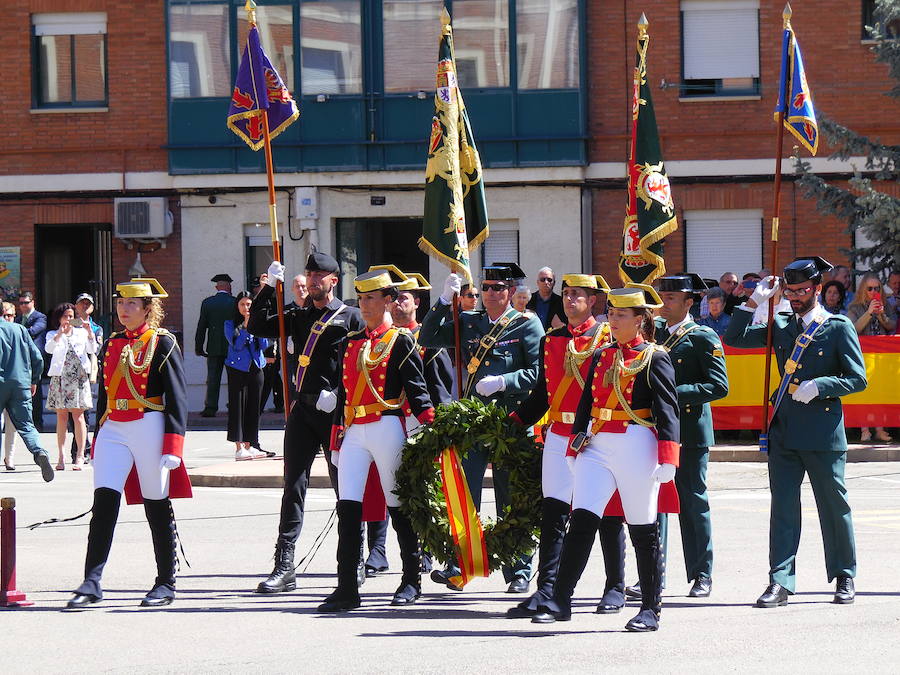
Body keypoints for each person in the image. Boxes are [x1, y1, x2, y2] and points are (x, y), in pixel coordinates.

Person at [531, 284, 679, 632]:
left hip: (635, 442)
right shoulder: (602, 355)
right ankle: (560, 598)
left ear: (640, 320)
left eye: (621, 315)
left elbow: (668, 410)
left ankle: (650, 608)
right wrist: (573, 448)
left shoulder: (655, 357)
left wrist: (668, 457)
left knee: (643, 527)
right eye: (611, 314)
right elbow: (585, 405)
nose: (613, 321)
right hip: (596, 445)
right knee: (582, 520)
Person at [724, 256, 866, 608]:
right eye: (791, 291)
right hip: (785, 429)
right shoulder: (782, 324)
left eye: (803, 290)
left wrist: (822, 385)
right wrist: (755, 299)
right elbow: (734, 337)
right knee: (783, 508)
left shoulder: (836, 326)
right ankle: (780, 581)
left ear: (818, 289)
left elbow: (857, 378)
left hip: (821, 431)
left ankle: (844, 574)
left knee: (834, 507)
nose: (797, 296)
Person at [506, 273, 629, 619]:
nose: (569, 300)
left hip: (596, 433)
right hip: (560, 434)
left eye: (578, 295)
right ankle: (546, 590)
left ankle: (615, 586)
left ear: (593, 300)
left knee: (606, 513)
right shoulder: (553, 339)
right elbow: (544, 396)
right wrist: (512, 423)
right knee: (554, 514)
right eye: (566, 294)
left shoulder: (608, 338)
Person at [66, 277, 190, 609]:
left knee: (156, 504)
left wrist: (173, 446)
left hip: (149, 422)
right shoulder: (112, 342)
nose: (124, 309)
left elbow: (177, 396)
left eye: (132, 304)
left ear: (148, 309)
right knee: (103, 505)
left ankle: (166, 581)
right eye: (121, 303)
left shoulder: (162, 342)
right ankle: (91, 581)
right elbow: (106, 394)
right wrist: (95, 436)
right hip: (114, 427)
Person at [420, 263, 544, 594]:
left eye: (497, 288)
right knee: (465, 495)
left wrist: (505, 381)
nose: (490, 293)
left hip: (511, 421)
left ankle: (519, 568)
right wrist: (445, 301)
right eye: (485, 287)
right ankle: (462, 563)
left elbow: (538, 374)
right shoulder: (469, 321)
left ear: (511, 292)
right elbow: (428, 336)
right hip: (473, 422)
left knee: (512, 497)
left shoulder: (526, 326)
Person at [318, 269, 435, 612]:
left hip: (387, 425)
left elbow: (417, 390)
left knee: (398, 506)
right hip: (355, 429)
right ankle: (346, 587)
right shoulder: (352, 341)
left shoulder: (401, 340)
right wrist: (336, 433)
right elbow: (344, 394)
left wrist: (429, 427)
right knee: (348, 508)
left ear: (387, 300)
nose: (364, 305)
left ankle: (411, 578)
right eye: (361, 298)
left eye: (370, 298)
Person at [248, 252, 365, 595]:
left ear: (334, 280)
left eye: (320, 275)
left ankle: (353, 560)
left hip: (336, 415)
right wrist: (269, 288)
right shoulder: (297, 315)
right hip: (303, 411)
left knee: (346, 489)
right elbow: (256, 325)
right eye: (310, 274)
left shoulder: (351, 317)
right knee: (293, 487)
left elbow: (362, 367)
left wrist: (341, 397)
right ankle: (285, 566)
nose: (313, 280)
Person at [361, 266, 454, 577]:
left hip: (415, 423)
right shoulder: (376, 338)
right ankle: (377, 549)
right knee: (377, 485)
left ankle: (424, 549)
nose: (398, 303)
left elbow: (439, 387)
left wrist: (438, 425)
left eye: (405, 298)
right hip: (383, 420)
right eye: (395, 298)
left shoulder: (427, 341)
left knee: (418, 488)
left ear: (417, 303)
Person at [652, 274, 729, 598]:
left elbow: (719, 385)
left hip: (689, 431)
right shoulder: (651, 333)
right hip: (654, 432)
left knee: (692, 503)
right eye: (662, 296)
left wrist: (672, 393)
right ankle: (652, 574)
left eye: (672, 298)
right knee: (652, 506)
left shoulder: (702, 336)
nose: (665, 302)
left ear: (688, 302)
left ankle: (701, 574)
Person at [0, 303, 54, 480]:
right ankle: (40, 452)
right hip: (21, 383)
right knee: (26, 425)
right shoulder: (20, 330)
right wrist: (33, 380)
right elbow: (37, 357)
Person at [45, 302, 97, 470]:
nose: (68, 319)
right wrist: (60, 334)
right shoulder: (53, 333)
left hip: (78, 377)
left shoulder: (81, 333)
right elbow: (48, 349)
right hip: (60, 377)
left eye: (71, 316)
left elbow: (93, 349)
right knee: (61, 417)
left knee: (79, 416)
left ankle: (80, 456)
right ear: (59, 318)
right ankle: (61, 457)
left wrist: (89, 333)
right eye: (65, 316)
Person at [846, 272, 896, 443]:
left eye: (877, 288)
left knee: (880, 391)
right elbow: (852, 329)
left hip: (881, 356)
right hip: (862, 355)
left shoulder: (886, 305)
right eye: (870, 288)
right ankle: (865, 429)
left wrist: (881, 314)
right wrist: (869, 312)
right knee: (864, 392)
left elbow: (892, 325)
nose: (873, 291)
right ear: (863, 290)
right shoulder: (854, 307)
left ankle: (880, 428)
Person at [224, 291, 270, 461]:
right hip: (237, 368)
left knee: (254, 407)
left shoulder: (257, 322)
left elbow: (264, 344)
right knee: (238, 406)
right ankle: (239, 447)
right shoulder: (230, 324)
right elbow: (236, 345)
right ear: (237, 306)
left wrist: (256, 327)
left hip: (256, 367)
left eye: (249, 304)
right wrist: (245, 326)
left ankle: (251, 445)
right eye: (242, 304)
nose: (246, 308)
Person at [195, 273, 234, 417]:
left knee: (212, 379)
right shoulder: (234, 302)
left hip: (213, 347)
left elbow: (201, 327)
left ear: (217, 286)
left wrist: (199, 347)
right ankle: (234, 406)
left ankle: (210, 408)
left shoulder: (207, 303)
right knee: (233, 379)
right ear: (228, 286)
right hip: (232, 348)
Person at [71, 293, 103, 464]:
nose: (84, 307)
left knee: (85, 412)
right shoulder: (70, 324)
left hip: (87, 372)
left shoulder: (96, 327)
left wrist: (88, 332)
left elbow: (97, 350)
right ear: (75, 306)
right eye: (81, 303)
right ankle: (77, 447)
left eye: (87, 304)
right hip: (68, 373)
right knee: (71, 414)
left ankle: (83, 449)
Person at [15, 291, 47, 431]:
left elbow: (33, 331)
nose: (23, 306)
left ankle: (37, 423)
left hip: (34, 361)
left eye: (26, 302)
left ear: (32, 302)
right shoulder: (17, 319)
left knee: (35, 394)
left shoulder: (40, 317)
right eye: (21, 303)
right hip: (20, 360)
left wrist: (15, 332)